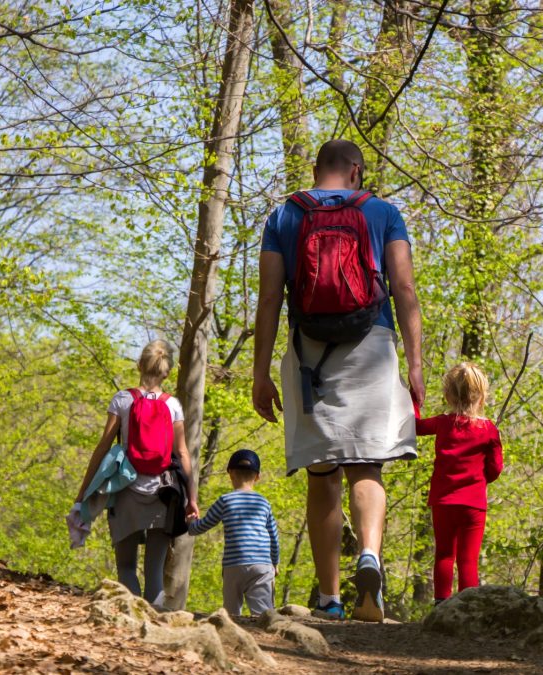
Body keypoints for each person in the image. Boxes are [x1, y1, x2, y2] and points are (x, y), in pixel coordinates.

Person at [252, 139, 424, 621]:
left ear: (315, 169)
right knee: (367, 467)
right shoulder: (383, 212)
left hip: (311, 355)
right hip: (371, 344)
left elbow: (269, 298)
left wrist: (261, 373)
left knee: (322, 475)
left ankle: (329, 599)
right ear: (356, 170)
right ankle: (369, 556)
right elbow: (404, 287)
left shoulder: (285, 215)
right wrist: (415, 365)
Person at [74, 340, 199, 605]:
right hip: (163, 495)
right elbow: (183, 453)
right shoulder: (173, 405)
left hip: (125, 491)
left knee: (127, 567)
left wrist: (84, 491)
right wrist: (192, 499)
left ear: (139, 365)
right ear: (167, 372)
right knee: (154, 571)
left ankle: (134, 625)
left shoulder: (122, 400)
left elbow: (103, 447)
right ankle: (155, 629)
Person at [415, 362, 504, 603]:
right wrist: (480, 479)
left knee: (444, 554)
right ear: (482, 396)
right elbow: (495, 469)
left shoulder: (443, 423)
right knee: (468, 559)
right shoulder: (488, 430)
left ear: (448, 395)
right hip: (473, 505)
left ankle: (441, 602)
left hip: (444, 501)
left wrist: (414, 399)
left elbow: (415, 426)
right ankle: (467, 606)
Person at [187, 449, 280, 616]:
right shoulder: (264, 503)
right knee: (264, 615)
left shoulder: (225, 500)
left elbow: (201, 527)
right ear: (257, 477)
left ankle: (231, 638)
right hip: (262, 565)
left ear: (230, 474)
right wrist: (275, 562)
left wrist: (191, 522)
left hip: (233, 565)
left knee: (231, 615)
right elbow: (273, 536)